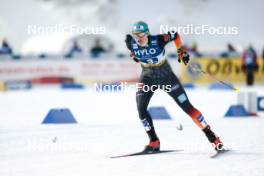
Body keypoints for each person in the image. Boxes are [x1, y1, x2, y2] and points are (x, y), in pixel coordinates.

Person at [125, 21, 224, 153]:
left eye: (141, 34)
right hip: (147, 78)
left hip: (166, 77)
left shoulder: (159, 40)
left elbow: (175, 35)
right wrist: (135, 56)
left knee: (187, 107)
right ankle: (154, 141)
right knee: (141, 110)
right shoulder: (130, 42)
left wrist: (180, 51)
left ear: (147, 33)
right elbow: (134, 53)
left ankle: (213, 138)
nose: (138, 38)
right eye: (135, 35)